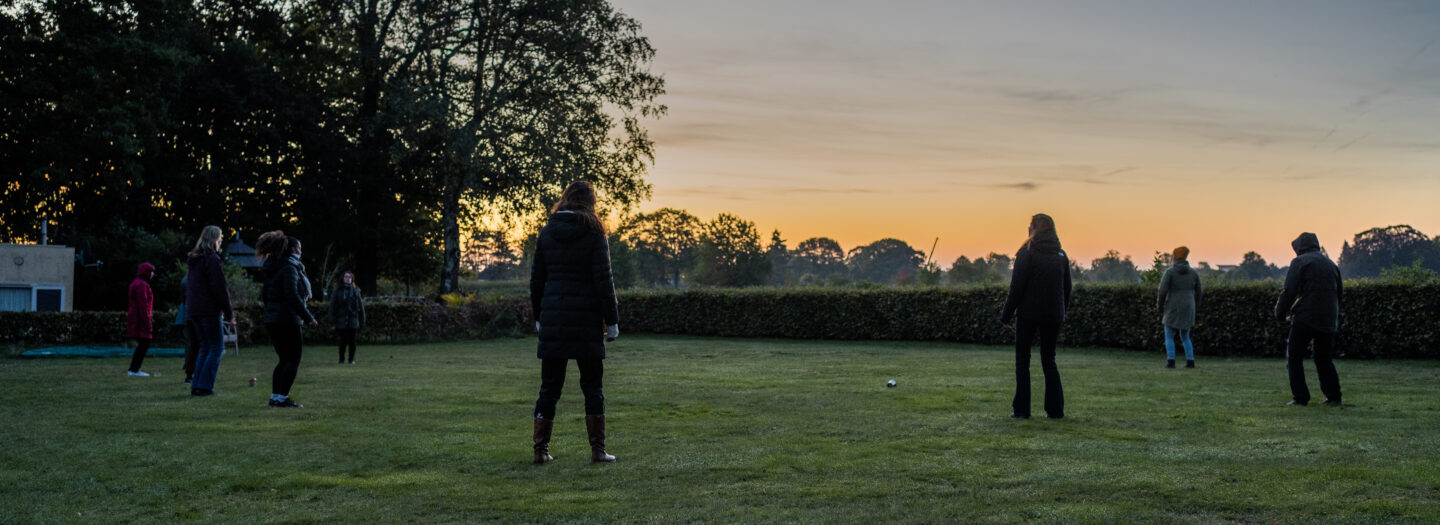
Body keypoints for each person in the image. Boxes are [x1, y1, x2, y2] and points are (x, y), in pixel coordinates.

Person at [529, 181, 621, 464]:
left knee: (549, 389)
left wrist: (538, 318)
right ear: (590, 203)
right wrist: (613, 322)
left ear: (565, 200)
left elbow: (537, 281)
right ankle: (598, 451)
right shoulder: (594, 233)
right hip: (586, 322)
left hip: (554, 320)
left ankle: (540, 451)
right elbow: (604, 282)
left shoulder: (547, 232)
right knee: (592, 387)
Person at [999, 213, 1072, 419]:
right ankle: (1055, 409)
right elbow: (1067, 288)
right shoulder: (1061, 255)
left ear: (1034, 229)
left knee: (1023, 360)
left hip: (1029, 314)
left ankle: (1022, 409)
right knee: (1049, 359)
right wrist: (1062, 311)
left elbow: (1016, 288)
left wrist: (1006, 315)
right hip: (1053, 315)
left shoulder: (1027, 253)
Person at [1276, 232, 1344, 407]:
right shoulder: (1331, 264)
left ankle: (1300, 397)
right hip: (1328, 318)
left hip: (1305, 317)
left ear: (1299, 247)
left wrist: (1280, 313)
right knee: (1324, 358)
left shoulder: (1299, 262)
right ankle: (1333, 396)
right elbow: (1339, 293)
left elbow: (1289, 291)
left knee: (1294, 357)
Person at [257, 232, 317, 408]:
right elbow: (292, 295)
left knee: (283, 359)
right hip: (287, 319)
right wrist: (308, 317)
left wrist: (271, 312)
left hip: (272, 318)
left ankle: (275, 397)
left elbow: (265, 295)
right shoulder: (290, 268)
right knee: (293, 359)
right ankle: (282, 398)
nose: (300, 251)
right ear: (292, 249)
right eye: (299, 248)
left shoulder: (272, 267)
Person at [186, 225, 235, 397]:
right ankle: (205, 386)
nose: (221, 240)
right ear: (215, 239)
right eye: (220, 237)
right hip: (209, 310)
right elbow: (219, 288)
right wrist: (229, 313)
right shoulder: (212, 259)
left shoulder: (194, 259)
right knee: (216, 348)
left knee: (205, 347)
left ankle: (197, 385)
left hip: (194, 309)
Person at [1157, 246, 1203, 368]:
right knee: (1185, 336)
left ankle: (1171, 361)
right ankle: (1190, 360)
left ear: (1175, 257)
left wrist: (1160, 307)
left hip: (1173, 305)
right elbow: (1199, 292)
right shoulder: (1193, 273)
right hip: (1189, 305)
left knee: (1169, 335)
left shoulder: (1170, 273)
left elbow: (1162, 292)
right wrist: (1195, 306)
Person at [125, 262, 156, 376]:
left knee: (142, 344)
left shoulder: (136, 283)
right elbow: (143, 305)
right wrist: (148, 322)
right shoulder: (142, 285)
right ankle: (134, 369)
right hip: (140, 319)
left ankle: (134, 369)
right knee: (144, 343)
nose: (153, 274)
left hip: (136, 317)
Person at [329, 272, 366, 364]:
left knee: (352, 341)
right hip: (341, 320)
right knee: (343, 341)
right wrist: (332, 320)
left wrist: (363, 319)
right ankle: (341, 359)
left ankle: (351, 359)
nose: (347, 278)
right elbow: (332, 305)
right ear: (343, 278)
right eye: (346, 277)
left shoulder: (356, 291)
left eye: (349, 277)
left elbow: (361, 306)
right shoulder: (337, 290)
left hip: (353, 320)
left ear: (352, 279)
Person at [176, 276, 200, 383]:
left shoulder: (185, 279)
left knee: (191, 345)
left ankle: (189, 369)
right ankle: (192, 370)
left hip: (187, 317)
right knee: (193, 345)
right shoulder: (193, 279)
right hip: (191, 316)